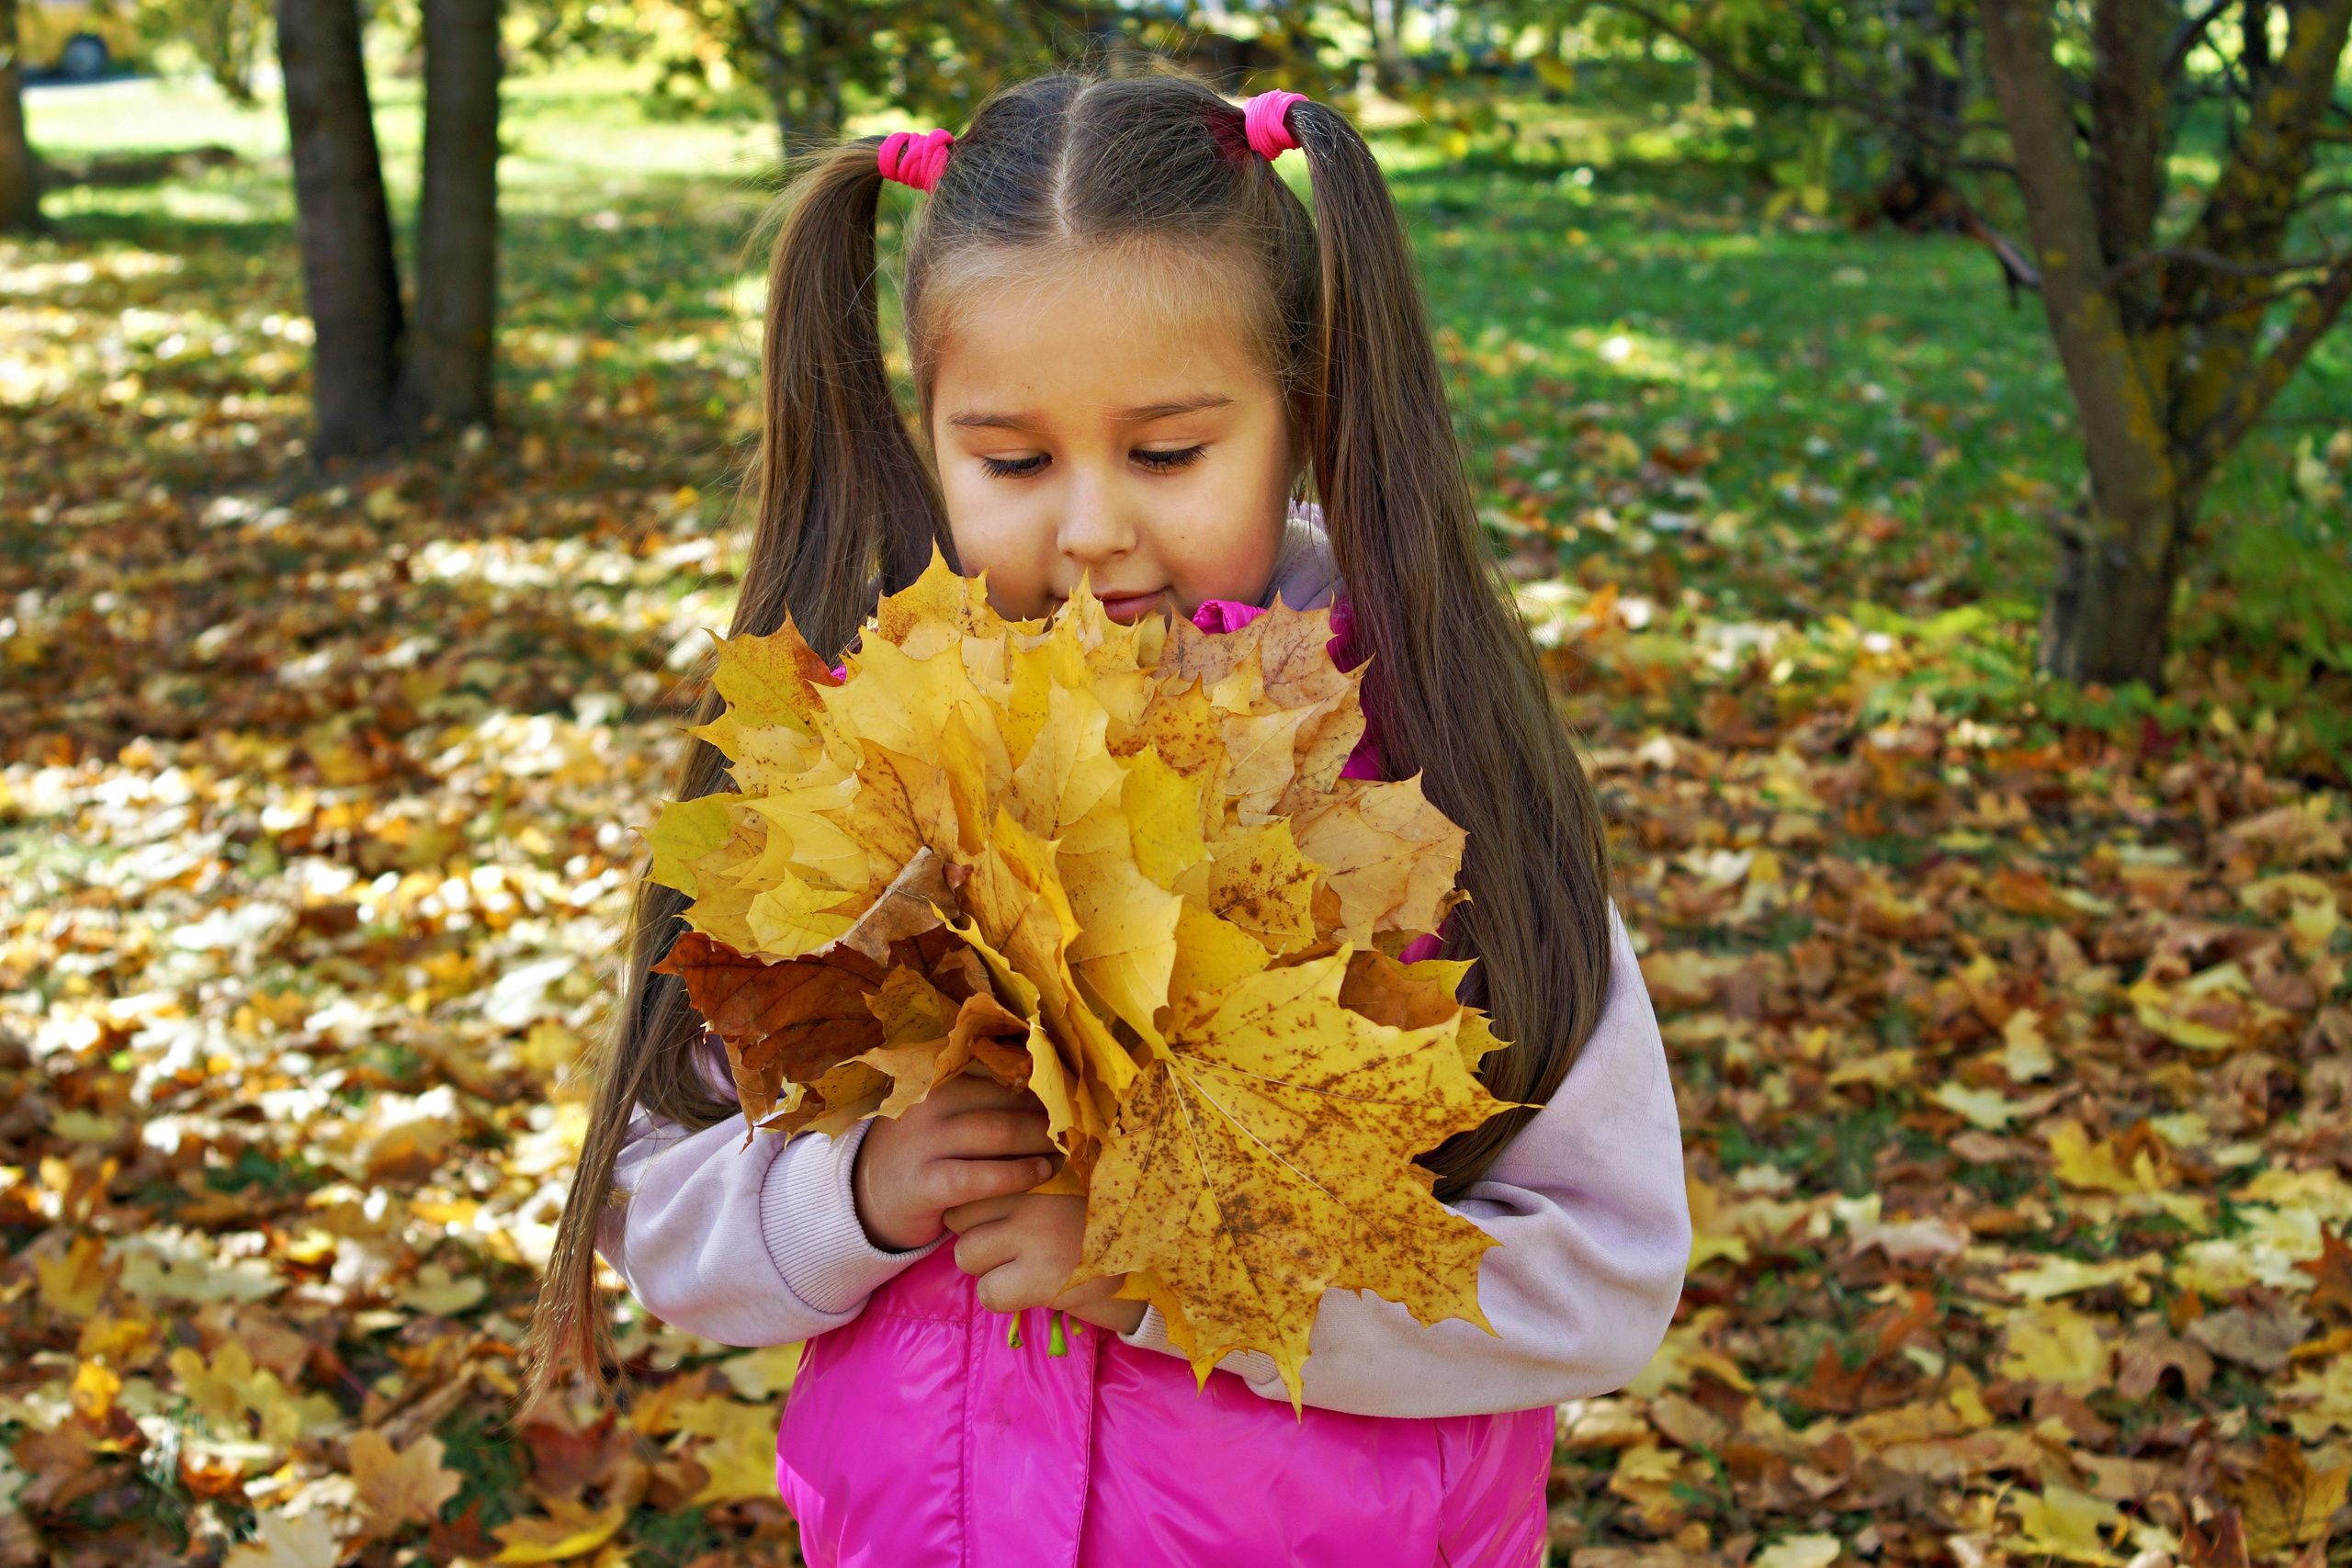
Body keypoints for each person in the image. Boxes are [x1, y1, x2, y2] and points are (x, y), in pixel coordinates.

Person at [528, 70, 1689, 1568]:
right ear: (927, 434)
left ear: (1303, 412)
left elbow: (1597, 1276)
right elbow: (657, 1193)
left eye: (1166, 454)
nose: (1090, 530)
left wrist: (1180, 1271)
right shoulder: (858, 769)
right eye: (1012, 461)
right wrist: (852, 1199)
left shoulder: (1428, 790)